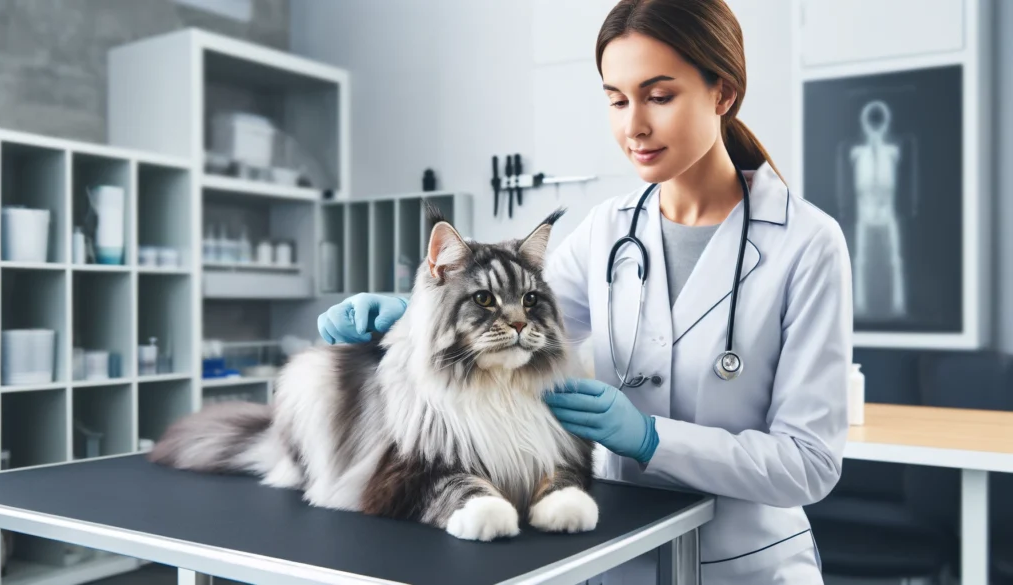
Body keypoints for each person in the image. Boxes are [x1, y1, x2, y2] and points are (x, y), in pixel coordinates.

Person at [317, 0, 853, 583]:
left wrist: (650, 439)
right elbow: (525, 317)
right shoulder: (609, 230)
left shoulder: (807, 243)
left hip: (746, 562)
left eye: (659, 96)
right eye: (617, 100)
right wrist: (408, 310)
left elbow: (809, 465)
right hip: (620, 555)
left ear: (722, 94)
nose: (633, 127)